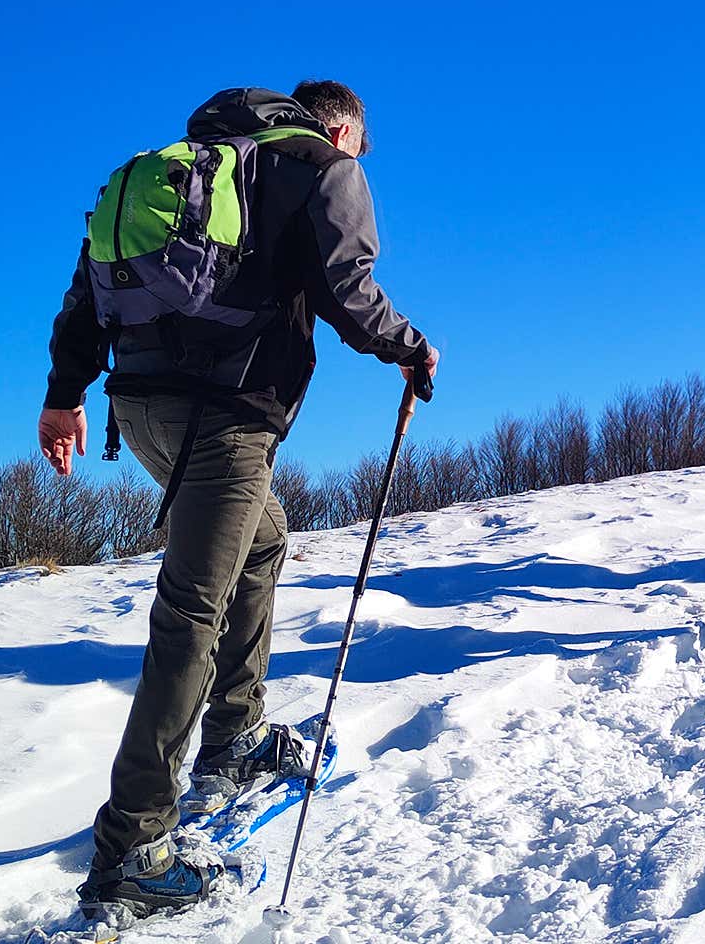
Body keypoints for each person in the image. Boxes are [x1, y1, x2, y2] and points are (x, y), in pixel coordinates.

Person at [37, 81, 438, 920]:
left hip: (139, 405)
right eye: (360, 141)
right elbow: (346, 285)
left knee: (263, 538)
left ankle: (235, 732)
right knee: (190, 609)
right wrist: (409, 347)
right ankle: (133, 848)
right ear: (339, 124)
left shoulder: (172, 171)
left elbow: (87, 291)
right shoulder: (321, 167)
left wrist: (64, 394)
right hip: (224, 417)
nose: (360, 158)